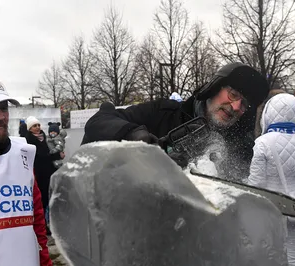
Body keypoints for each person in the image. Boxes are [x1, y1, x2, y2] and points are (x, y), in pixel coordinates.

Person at [81, 62, 270, 179]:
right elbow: (99, 122)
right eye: (233, 94)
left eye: (244, 104)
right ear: (214, 88)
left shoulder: (241, 147)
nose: (236, 107)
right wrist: (134, 135)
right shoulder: (163, 113)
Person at [0, 76, 52, 266]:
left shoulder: (22, 152)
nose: (0, 116)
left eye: (3, 108)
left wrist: (45, 262)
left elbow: (37, 222)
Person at [248, 93, 295, 266]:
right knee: (294, 258)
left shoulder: (262, 143)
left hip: (270, 208)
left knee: (267, 257)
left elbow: (256, 185)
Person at [25, 116, 64, 232]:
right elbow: (40, 156)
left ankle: (49, 223)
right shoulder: (29, 140)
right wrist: (57, 156)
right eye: (34, 126)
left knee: (49, 198)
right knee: (41, 200)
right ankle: (42, 225)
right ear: (29, 128)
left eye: (38, 125)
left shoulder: (46, 139)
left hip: (49, 171)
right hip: (38, 173)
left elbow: (49, 153)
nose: (37, 127)